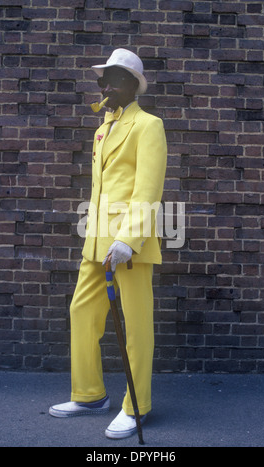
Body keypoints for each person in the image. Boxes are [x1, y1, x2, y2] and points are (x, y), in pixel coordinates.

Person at [49, 48, 167, 440]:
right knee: (81, 313)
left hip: (126, 246)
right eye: (103, 79)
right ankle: (88, 394)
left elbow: (147, 189)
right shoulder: (102, 128)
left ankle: (137, 406)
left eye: (113, 79)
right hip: (95, 242)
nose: (105, 86)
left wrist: (128, 240)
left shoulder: (149, 125)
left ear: (132, 85)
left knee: (135, 328)